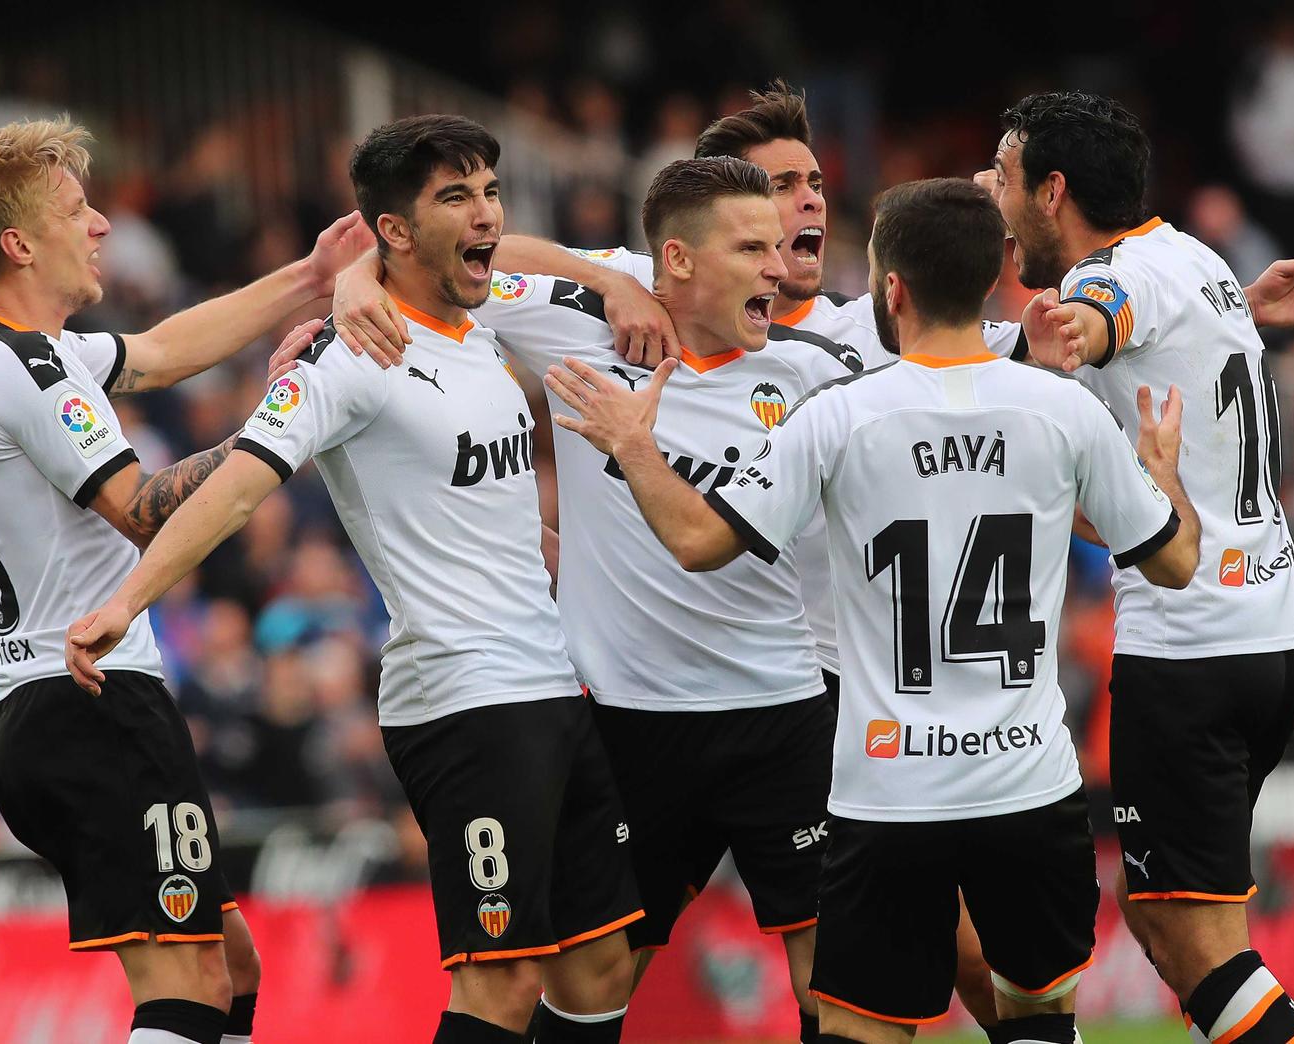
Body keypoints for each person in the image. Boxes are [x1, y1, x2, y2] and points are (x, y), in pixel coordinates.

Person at [542, 177, 1199, 1044]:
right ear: (998, 274)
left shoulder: (839, 415)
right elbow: (1178, 560)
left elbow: (700, 541)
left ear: (891, 289)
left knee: (862, 1027)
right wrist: (1165, 473)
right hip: (1030, 786)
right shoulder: (1065, 415)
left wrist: (633, 446)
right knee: (1037, 1021)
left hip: (891, 789)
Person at [64, 115, 641, 1044]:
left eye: (489, 189)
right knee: (503, 978)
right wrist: (128, 602)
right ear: (396, 233)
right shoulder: (349, 359)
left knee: (599, 962)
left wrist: (605, 276)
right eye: (455, 197)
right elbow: (244, 482)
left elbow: (529, 259)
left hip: (549, 683)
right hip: (464, 696)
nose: (485, 213)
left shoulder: (480, 319)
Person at [313, 155, 850, 1043]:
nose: (778, 265)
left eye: (778, 242)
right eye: (752, 245)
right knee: (595, 969)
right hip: (632, 722)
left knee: (832, 972)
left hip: (782, 712)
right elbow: (457, 256)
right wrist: (353, 282)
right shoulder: (582, 320)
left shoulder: (813, 371)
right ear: (673, 262)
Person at [0, 118, 372, 1044]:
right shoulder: (26, 366)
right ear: (19, 243)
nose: (101, 228)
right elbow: (145, 508)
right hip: (91, 699)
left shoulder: (8, 352)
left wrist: (306, 279)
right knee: (189, 985)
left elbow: (161, 351)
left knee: (228, 967)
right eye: (77, 211)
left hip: (46, 704)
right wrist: (289, 419)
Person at [992, 90, 1294, 1044]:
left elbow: (1096, 319)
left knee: (1187, 936)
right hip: (1269, 632)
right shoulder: (1200, 262)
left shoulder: (1112, 278)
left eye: (1006, 175)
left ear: (1053, 191)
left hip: (1190, 646)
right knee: (1184, 919)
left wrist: (1070, 337)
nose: (995, 191)